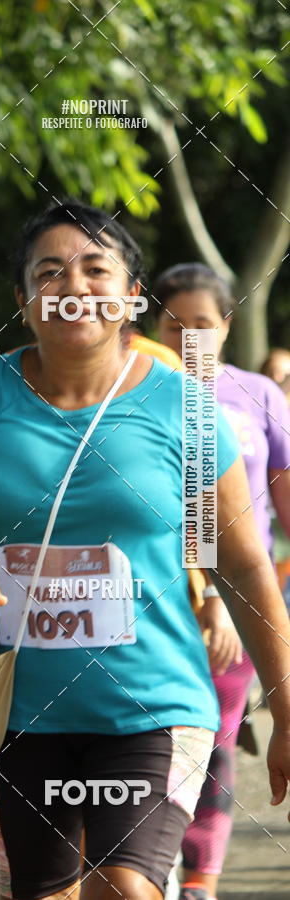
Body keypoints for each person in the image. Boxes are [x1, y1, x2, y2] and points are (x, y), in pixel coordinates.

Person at [0, 201, 290, 900]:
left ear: (131, 298)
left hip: (154, 702)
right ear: (23, 300)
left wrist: (287, 701)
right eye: (48, 273)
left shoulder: (188, 408)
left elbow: (240, 563)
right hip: (15, 711)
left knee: (124, 889)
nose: (73, 286)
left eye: (95, 269)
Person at [154, 262, 290, 900]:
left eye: (202, 326)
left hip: (239, 603)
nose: (188, 341)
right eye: (173, 325)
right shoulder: (129, 390)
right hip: (150, 604)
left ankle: (200, 878)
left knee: (213, 741)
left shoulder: (260, 395)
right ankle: (151, 867)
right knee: (150, 746)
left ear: (228, 326)